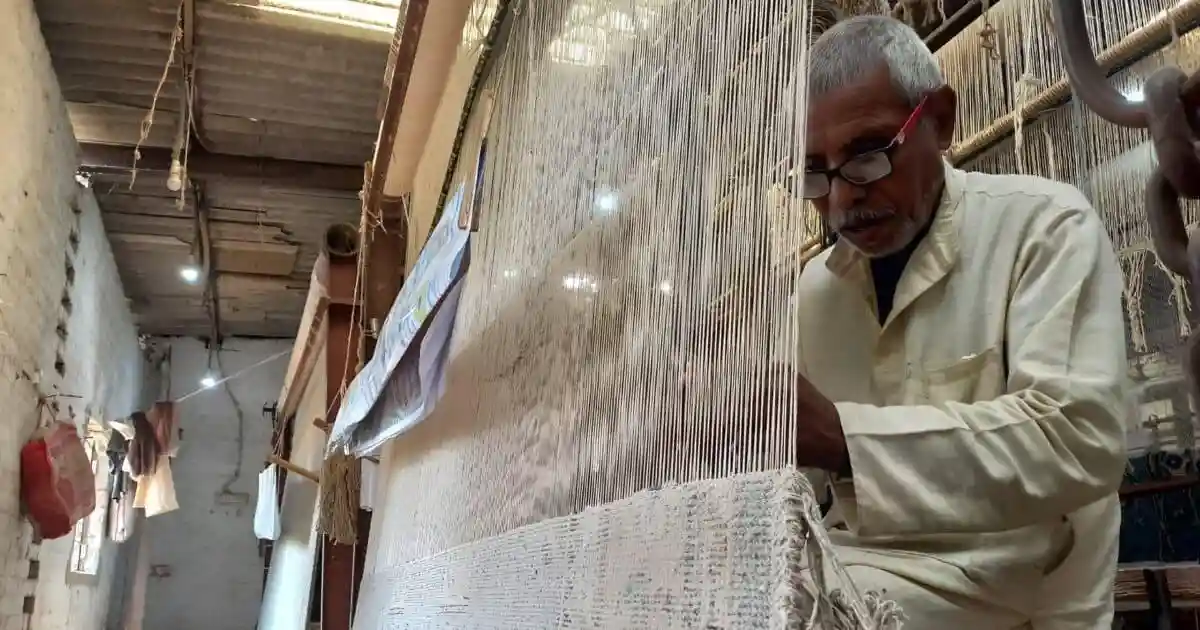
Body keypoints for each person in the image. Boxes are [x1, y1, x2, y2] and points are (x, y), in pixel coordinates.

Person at [786, 15, 1130, 629]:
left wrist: (841, 438)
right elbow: (804, 490)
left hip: (1016, 584)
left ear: (940, 120)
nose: (840, 199)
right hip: (855, 563)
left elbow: (1080, 436)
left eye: (867, 155)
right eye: (815, 172)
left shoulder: (1044, 229)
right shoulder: (817, 293)